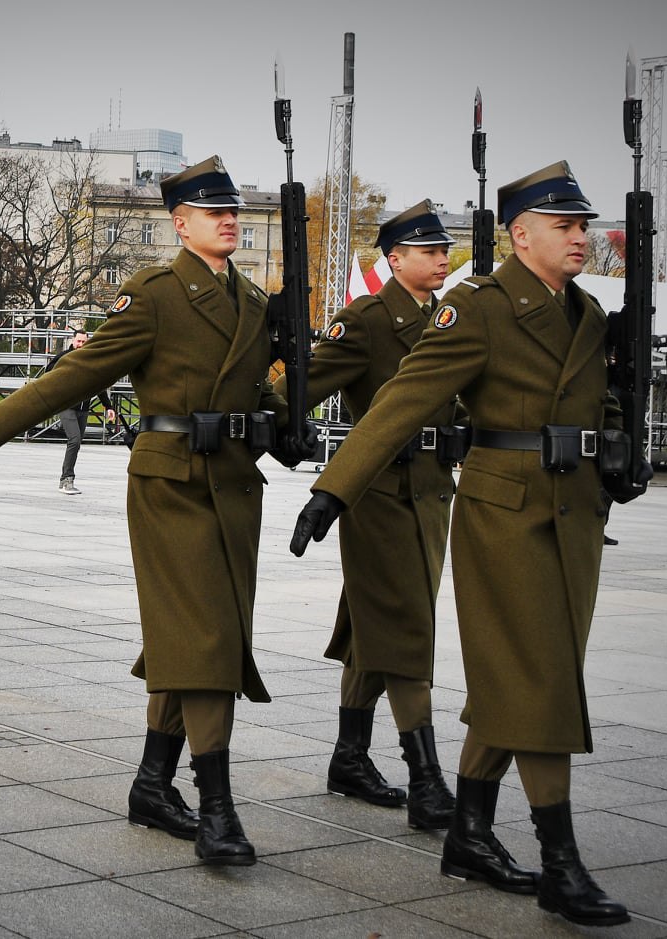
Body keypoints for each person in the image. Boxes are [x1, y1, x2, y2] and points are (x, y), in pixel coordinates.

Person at [291, 161, 648, 927]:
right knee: (543, 678)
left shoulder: (585, 313)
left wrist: (617, 444)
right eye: (566, 226)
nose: (583, 237)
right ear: (522, 235)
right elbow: (401, 400)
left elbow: (606, 398)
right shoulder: (479, 308)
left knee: (519, 678)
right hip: (505, 515)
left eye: (584, 225)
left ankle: (470, 834)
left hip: (575, 517)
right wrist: (333, 489)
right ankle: (561, 862)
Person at [0, 155, 309, 866]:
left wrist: (288, 414)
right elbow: (80, 371)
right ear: (181, 223)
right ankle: (217, 810)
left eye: (235, 212)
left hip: (234, 487)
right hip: (172, 487)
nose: (231, 221)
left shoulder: (256, 303)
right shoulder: (154, 295)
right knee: (206, 644)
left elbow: (261, 393)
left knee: (195, 636)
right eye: (215, 213)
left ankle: (151, 783)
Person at [274, 200, 462, 828]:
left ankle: (349, 757)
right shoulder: (367, 320)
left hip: (433, 493)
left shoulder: (447, 317)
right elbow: (299, 387)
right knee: (406, 629)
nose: (442, 260)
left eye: (444, 251)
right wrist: (274, 426)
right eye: (429, 251)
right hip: (379, 496)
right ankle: (428, 779)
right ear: (395, 258)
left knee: (373, 627)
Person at [47, 330, 117, 494]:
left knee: (76, 444)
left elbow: (98, 385)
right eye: (79, 341)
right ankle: (67, 480)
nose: (81, 345)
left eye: (84, 342)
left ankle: (64, 478)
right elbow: (48, 374)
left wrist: (109, 407)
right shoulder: (65, 357)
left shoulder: (90, 360)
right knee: (75, 440)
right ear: (73, 341)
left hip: (83, 409)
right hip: (66, 406)